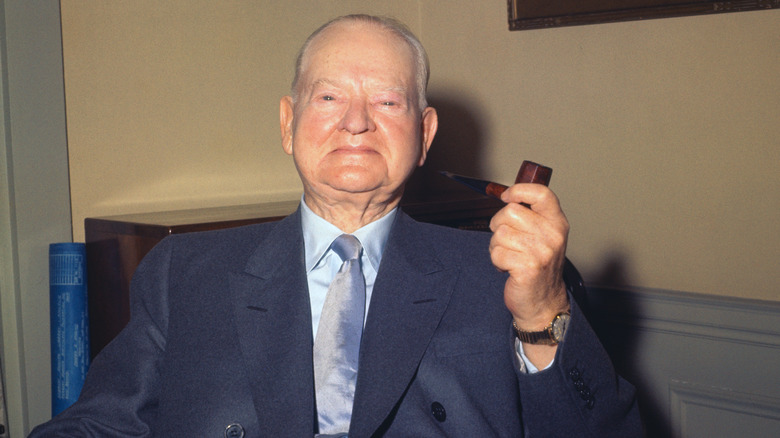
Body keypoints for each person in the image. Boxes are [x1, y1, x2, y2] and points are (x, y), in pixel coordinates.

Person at [30, 14, 642, 437]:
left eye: (386, 101)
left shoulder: (504, 277)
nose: (356, 122)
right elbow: (101, 426)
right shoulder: (185, 272)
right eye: (328, 98)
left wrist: (541, 312)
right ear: (287, 123)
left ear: (425, 134)